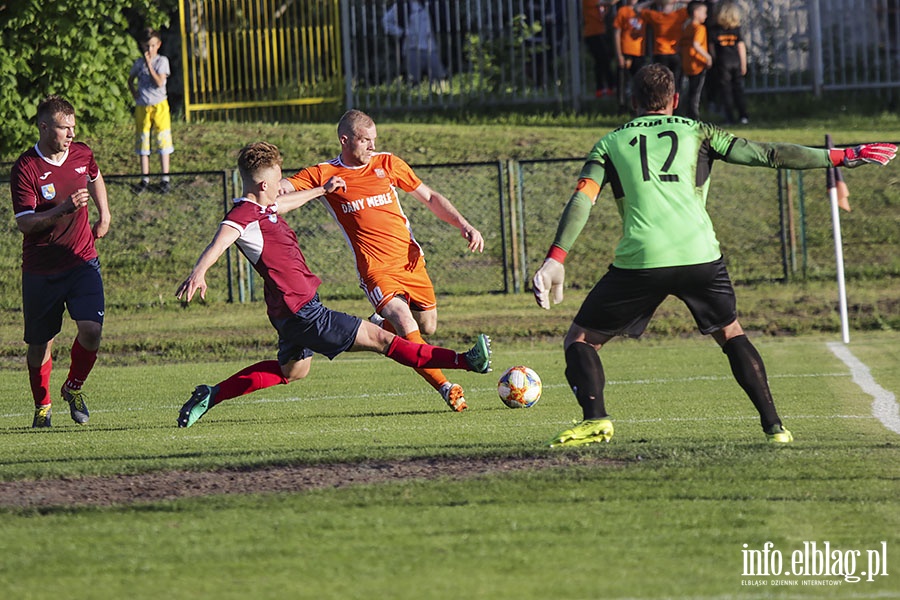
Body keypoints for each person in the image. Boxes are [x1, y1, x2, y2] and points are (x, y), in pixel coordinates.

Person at [531, 64, 897, 447]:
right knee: (731, 332)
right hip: (700, 254)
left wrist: (557, 257)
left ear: (632, 100)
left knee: (581, 339)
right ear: (674, 100)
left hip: (643, 258)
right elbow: (769, 154)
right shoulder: (698, 131)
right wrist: (840, 156)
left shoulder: (609, 143)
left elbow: (582, 200)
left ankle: (596, 421)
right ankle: (775, 428)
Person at [175, 141, 491, 428]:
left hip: (289, 313)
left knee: (292, 372)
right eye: (278, 181)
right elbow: (221, 240)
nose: (281, 186)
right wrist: (199, 272)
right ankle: (465, 361)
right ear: (263, 184)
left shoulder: (262, 206)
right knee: (382, 339)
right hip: (304, 312)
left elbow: (289, 202)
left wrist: (321, 190)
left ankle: (211, 394)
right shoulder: (244, 214)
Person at [280, 110, 484, 413]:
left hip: (410, 261)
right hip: (375, 268)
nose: (372, 147)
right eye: (366, 141)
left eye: (374, 140)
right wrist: (282, 185)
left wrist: (463, 224)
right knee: (405, 322)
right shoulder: (325, 173)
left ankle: (378, 325)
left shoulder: (388, 163)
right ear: (345, 140)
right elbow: (283, 190)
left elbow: (429, 197)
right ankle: (446, 387)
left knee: (426, 325)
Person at [9, 95, 112, 428]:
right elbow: (25, 222)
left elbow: (94, 176)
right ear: (43, 127)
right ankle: (43, 405)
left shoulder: (82, 153)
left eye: (73, 126)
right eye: (63, 127)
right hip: (41, 269)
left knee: (92, 331)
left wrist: (104, 214)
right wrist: (63, 208)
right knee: (40, 345)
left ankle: (74, 387)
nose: (71, 133)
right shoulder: (26, 167)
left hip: (82, 260)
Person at [128, 27, 174, 194]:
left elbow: (159, 83)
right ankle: (145, 178)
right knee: (143, 142)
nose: (150, 49)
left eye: (153, 46)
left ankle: (164, 178)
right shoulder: (138, 63)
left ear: (158, 45)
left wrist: (149, 64)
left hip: (159, 106)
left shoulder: (162, 61)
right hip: (142, 106)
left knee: (163, 141)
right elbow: (130, 79)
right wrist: (134, 93)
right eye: (147, 46)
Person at [382, 0, 448, 85]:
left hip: (430, 47)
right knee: (413, 80)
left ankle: (437, 96)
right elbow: (386, 20)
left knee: (439, 77)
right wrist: (400, 32)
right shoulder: (403, 5)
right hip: (412, 47)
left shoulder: (430, 4)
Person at [708, 1, 748, 124]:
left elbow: (712, 49)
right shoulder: (736, 30)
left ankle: (729, 117)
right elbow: (741, 47)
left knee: (726, 91)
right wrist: (743, 64)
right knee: (738, 89)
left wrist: (714, 60)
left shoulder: (714, 30)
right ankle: (743, 116)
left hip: (722, 64)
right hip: (735, 62)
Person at [639, 0, 688, 92]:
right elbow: (694, 5)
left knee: (662, 82)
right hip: (675, 51)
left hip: (660, 52)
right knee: (676, 82)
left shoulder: (656, 16)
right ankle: (675, 102)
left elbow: (637, 9)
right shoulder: (679, 15)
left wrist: (653, 1)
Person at [680, 1, 712, 119]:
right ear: (696, 13)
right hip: (697, 64)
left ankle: (687, 113)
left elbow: (682, 45)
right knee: (696, 93)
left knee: (690, 91)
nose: (706, 15)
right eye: (704, 12)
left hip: (687, 63)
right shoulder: (700, 28)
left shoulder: (686, 27)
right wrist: (708, 57)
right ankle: (694, 117)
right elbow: (696, 44)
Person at [613, 0, 646, 113]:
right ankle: (622, 107)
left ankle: (638, 107)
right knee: (623, 82)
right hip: (626, 51)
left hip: (640, 52)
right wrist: (619, 54)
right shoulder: (623, 11)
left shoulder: (644, 11)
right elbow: (617, 32)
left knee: (640, 82)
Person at [582, 0, 615, 98]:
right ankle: (608, 86)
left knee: (602, 61)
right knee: (603, 59)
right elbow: (607, 2)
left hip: (600, 32)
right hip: (593, 34)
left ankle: (602, 88)